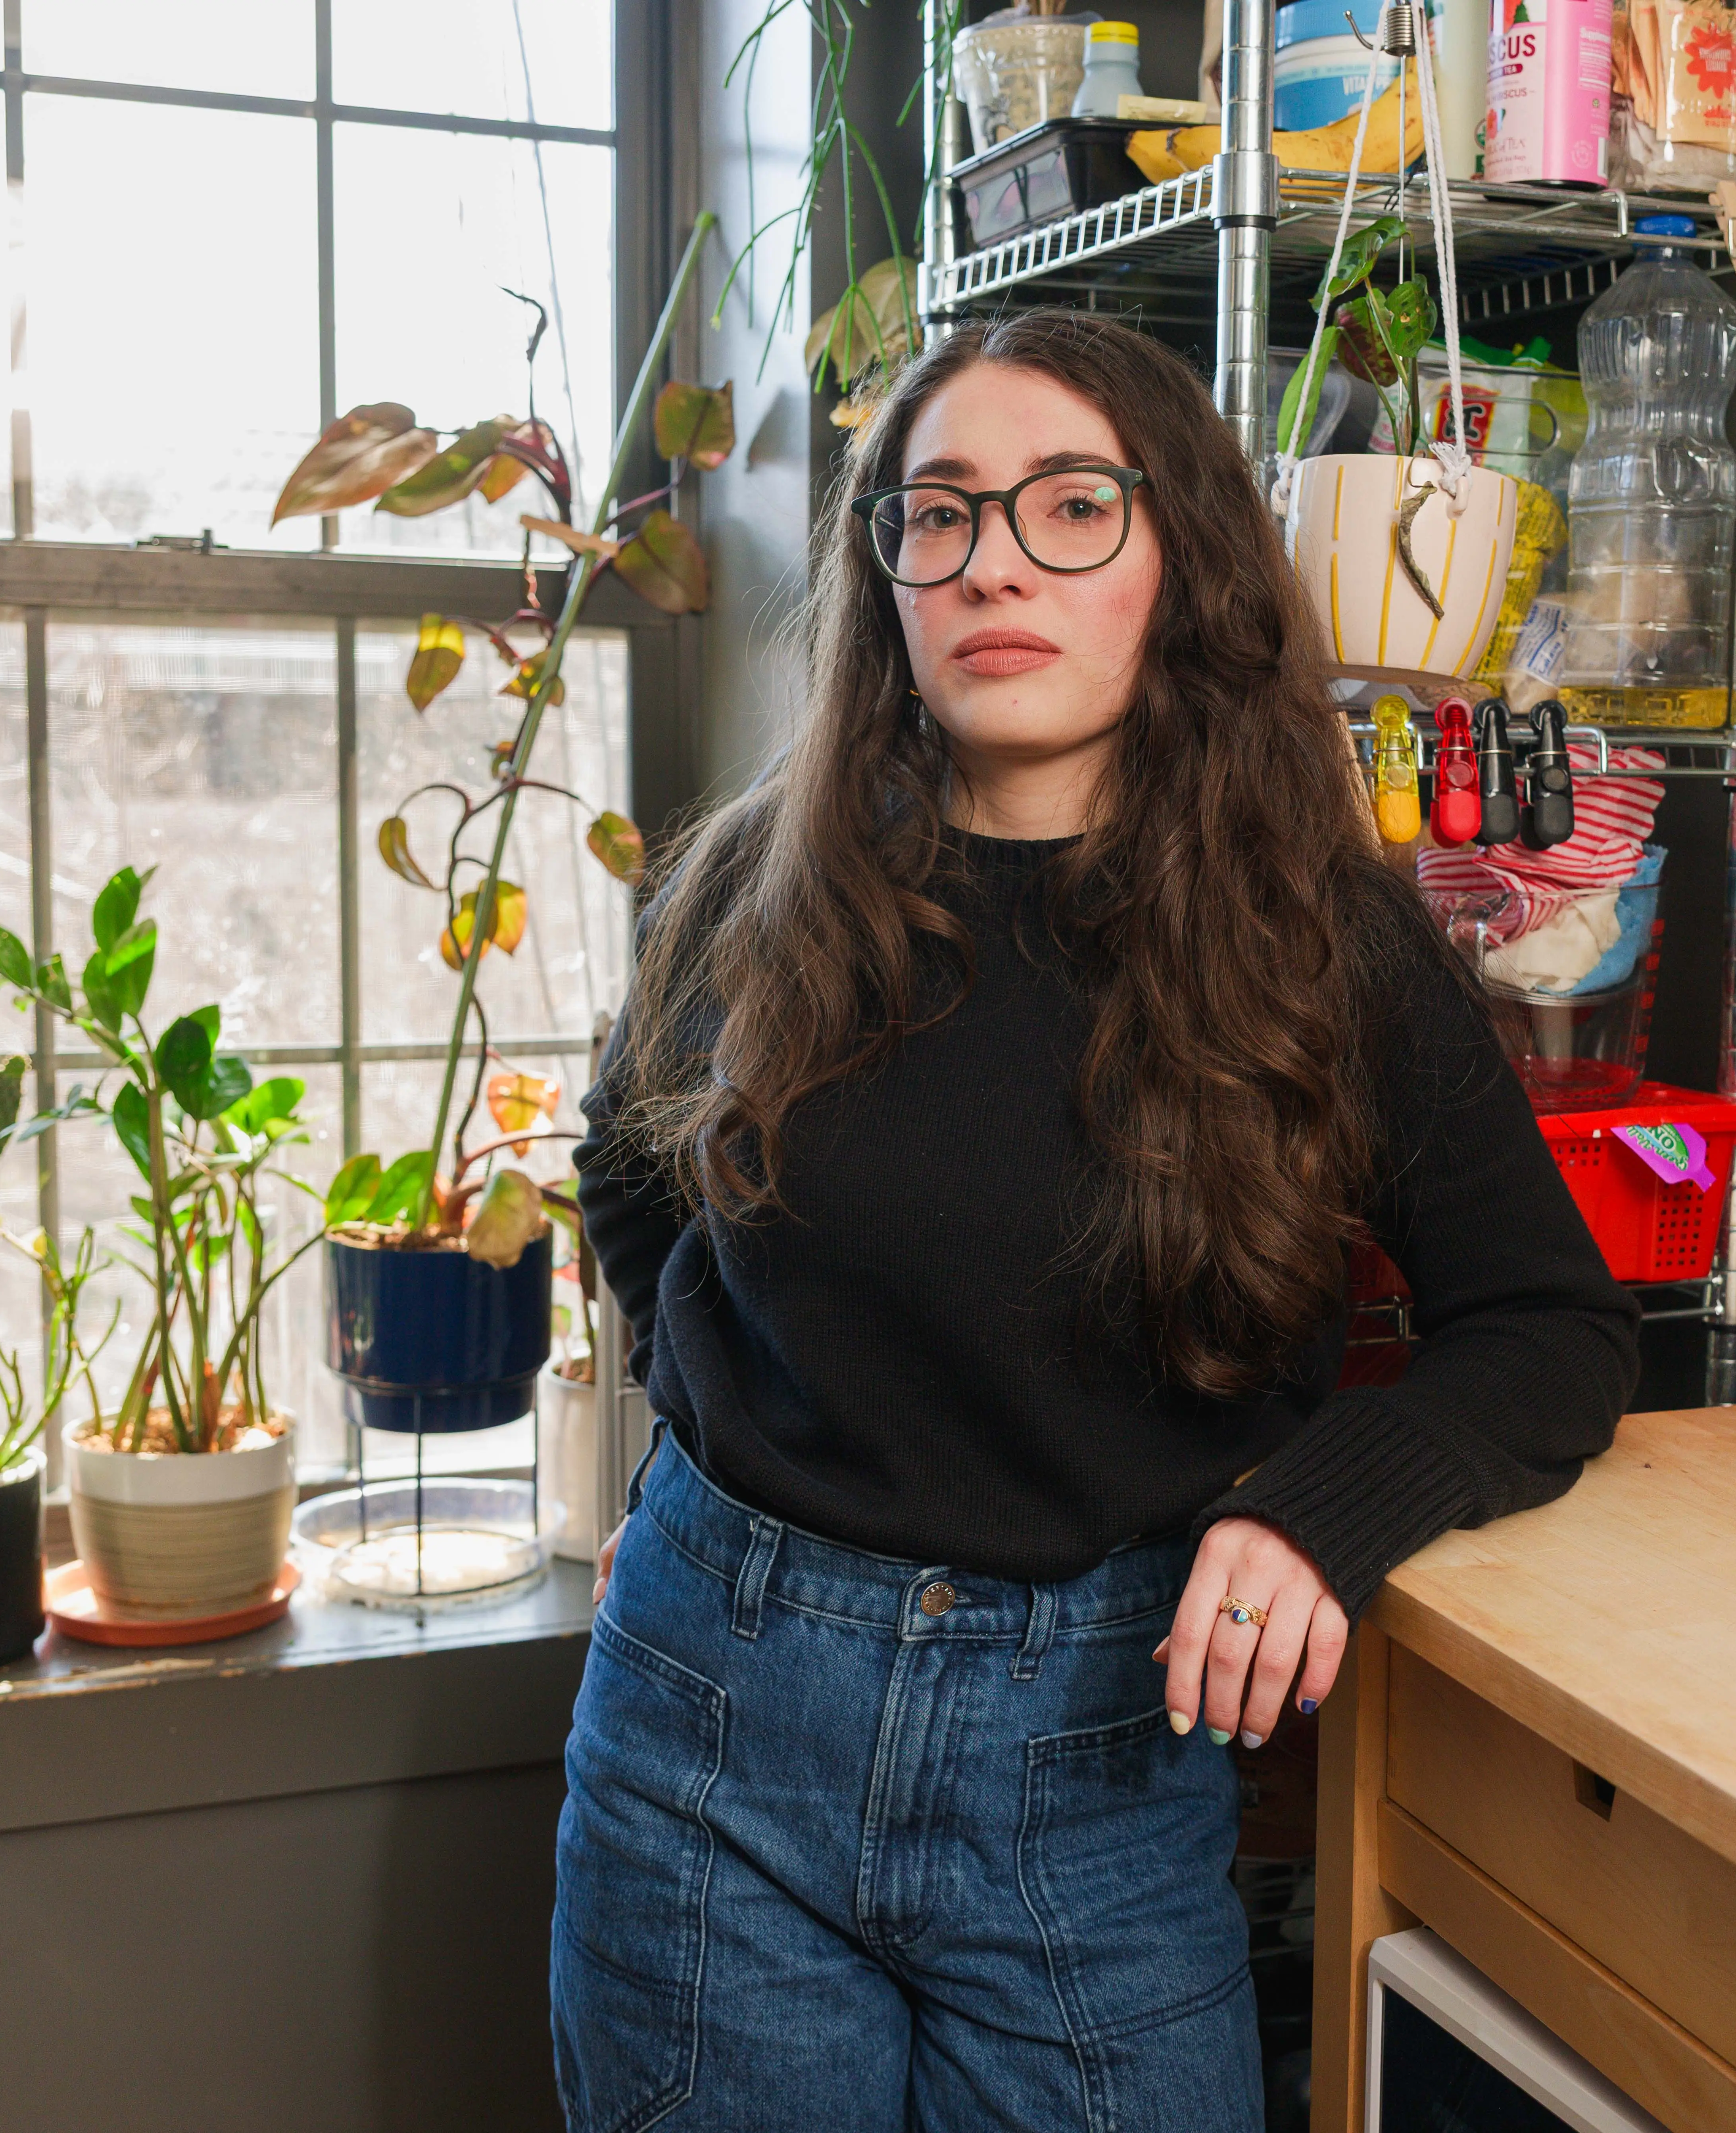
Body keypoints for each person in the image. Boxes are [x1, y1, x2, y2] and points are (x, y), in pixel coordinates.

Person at [557, 308, 1638, 2133]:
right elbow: (630, 1171)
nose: (995, 563)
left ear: (1180, 560)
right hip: (708, 1733)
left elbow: (1550, 1330)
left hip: (1101, 1756)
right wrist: (706, 1427)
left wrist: (1320, 1516)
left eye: (1072, 508)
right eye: (940, 513)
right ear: (885, 571)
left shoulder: (1327, 942)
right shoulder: (752, 885)